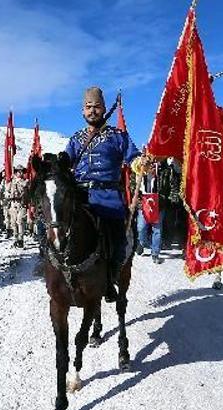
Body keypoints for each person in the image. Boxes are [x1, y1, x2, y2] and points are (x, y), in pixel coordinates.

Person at [65, 87, 140, 302]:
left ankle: (110, 277)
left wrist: (140, 163)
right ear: (82, 111)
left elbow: (133, 157)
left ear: (104, 109)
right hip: (80, 197)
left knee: (118, 240)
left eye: (97, 107)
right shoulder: (76, 139)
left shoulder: (117, 136)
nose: (92, 111)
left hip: (108, 197)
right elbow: (65, 162)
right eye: (88, 107)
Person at [136, 161, 165, 263]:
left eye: (153, 165)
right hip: (143, 207)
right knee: (141, 228)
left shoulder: (162, 175)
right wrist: (139, 202)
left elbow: (167, 189)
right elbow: (133, 190)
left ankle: (155, 254)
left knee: (157, 231)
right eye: (150, 165)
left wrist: (162, 199)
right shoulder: (138, 174)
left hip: (158, 207)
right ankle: (142, 242)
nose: (151, 167)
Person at [7, 165, 28, 247]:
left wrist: (18, 181)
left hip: (21, 204)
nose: (20, 173)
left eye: (22, 171)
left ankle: (21, 239)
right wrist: (9, 195)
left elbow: (25, 187)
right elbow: (7, 192)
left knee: (20, 221)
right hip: (13, 204)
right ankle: (15, 238)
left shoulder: (25, 181)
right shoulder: (11, 182)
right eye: (18, 171)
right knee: (13, 223)